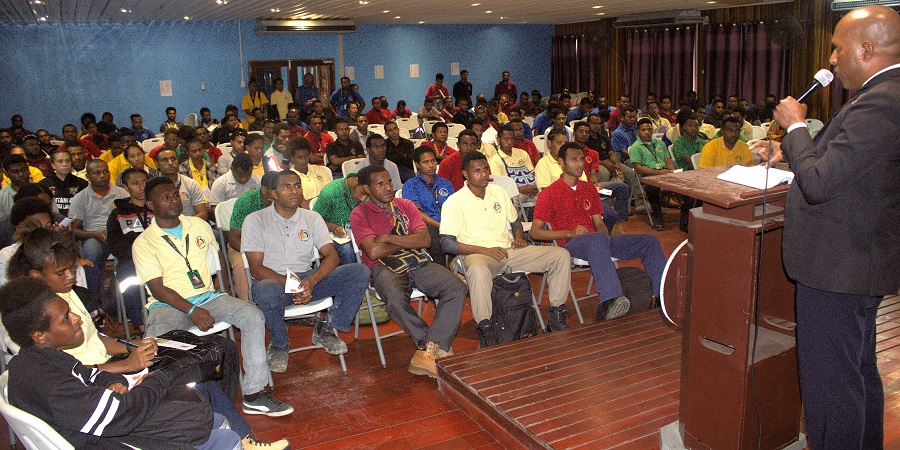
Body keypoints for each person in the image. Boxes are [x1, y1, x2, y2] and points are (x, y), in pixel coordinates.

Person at [750, 6, 900, 448]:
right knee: (857, 373)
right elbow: (852, 170)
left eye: (837, 48)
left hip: (838, 266)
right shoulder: (885, 94)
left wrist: (796, 126)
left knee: (831, 386)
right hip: (857, 262)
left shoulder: (882, 101)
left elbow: (819, 184)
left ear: (866, 50)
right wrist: (792, 152)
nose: (832, 59)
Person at [0, 277, 245, 449]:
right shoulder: (50, 385)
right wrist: (156, 380)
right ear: (40, 335)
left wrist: (113, 381)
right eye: (66, 318)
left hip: (105, 429)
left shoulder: (33, 360)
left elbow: (89, 375)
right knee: (223, 436)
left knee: (210, 417)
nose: (76, 319)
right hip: (112, 440)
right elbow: (121, 414)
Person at [134, 176, 294, 417]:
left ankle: (254, 393)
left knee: (251, 315)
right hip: (167, 304)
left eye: (176, 195)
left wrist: (227, 292)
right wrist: (191, 310)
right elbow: (157, 289)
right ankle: (163, 405)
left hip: (208, 297)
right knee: (156, 343)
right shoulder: (144, 242)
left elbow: (218, 257)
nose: (174, 201)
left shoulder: (198, 225)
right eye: (165, 197)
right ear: (150, 205)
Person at [440, 152, 572, 347]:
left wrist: (519, 237)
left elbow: (516, 223)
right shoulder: (454, 201)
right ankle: (485, 328)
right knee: (478, 270)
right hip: (477, 254)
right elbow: (447, 243)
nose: (484, 174)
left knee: (560, 255)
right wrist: (485, 251)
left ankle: (556, 316)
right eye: (477, 171)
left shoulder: (499, 192)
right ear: (465, 174)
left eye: (486, 169)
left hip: (508, 250)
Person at [243, 170, 367, 370]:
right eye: (286, 186)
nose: (294, 191)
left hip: (308, 280)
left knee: (359, 272)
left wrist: (311, 281)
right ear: (273, 194)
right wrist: (292, 285)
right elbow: (256, 269)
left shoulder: (312, 217)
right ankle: (280, 343)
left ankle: (326, 328)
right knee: (265, 291)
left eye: (297, 186)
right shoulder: (255, 220)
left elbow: (332, 255)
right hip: (274, 283)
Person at [351, 165, 466, 377]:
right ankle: (429, 345)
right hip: (384, 266)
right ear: (366, 188)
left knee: (456, 286)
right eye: (380, 184)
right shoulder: (359, 214)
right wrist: (407, 241)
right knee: (395, 300)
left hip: (416, 260)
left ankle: (429, 349)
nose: (388, 187)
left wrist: (390, 238)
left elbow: (425, 240)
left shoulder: (405, 205)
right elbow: (374, 251)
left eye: (389, 182)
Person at [531, 143, 666, 320]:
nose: (580, 164)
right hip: (569, 244)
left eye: (581, 159)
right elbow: (535, 232)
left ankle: (660, 296)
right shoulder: (548, 194)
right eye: (574, 160)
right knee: (596, 239)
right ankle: (610, 299)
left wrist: (605, 235)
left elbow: (599, 223)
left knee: (649, 241)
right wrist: (569, 233)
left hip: (597, 242)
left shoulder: (588, 189)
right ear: (561, 162)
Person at [69, 159, 129, 303]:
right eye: (97, 173)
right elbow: (74, 230)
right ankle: (96, 303)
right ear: (88, 176)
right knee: (91, 255)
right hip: (94, 237)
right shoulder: (80, 198)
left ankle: (119, 300)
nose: (102, 175)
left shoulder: (121, 193)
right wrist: (95, 234)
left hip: (120, 236)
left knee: (131, 257)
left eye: (105, 171)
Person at [400, 146, 454, 264]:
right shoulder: (411, 185)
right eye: (426, 162)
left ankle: (456, 264)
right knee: (436, 241)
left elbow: (455, 207)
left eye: (433, 161)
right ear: (417, 165)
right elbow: (417, 213)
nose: (431, 165)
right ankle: (441, 270)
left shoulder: (445, 183)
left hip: (449, 222)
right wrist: (440, 225)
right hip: (426, 224)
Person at [629, 118, 675, 231]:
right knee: (652, 188)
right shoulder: (635, 147)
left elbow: (667, 159)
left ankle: (686, 218)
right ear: (638, 131)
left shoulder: (660, 143)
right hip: (648, 176)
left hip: (665, 173)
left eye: (649, 129)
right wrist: (659, 172)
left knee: (686, 184)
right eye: (643, 130)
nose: (647, 132)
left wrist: (672, 171)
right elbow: (639, 169)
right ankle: (658, 218)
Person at [312, 174, 368, 266]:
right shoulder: (330, 192)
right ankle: (353, 274)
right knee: (347, 249)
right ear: (355, 181)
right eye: (362, 193)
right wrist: (333, 228)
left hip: (360, 229)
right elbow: (313, 221)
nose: (363, 199)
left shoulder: (371, 188)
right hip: (335, 234)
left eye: (367, 195)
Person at [155, 148, 208, 220]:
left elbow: (202, 214)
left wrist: (182, 224)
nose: (170, 163)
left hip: (190, 224)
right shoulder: (153, 188)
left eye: (173, 159)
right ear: (157, 164)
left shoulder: (191, 184)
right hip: (163, 225)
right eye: (165, 160)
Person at [39, 148, 88, 217]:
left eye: (67, 161)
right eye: (60, 161)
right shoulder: (44, 184)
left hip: (77, 220)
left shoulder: (82, 183)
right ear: (53, 165)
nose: (65, 164)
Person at [286, 135, 332, 201]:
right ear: (291, 158)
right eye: (300, 157)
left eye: (306, 156)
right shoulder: (288, 177)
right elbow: (300, 203)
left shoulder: (321, 170)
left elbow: (331, 194)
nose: (304, 160)